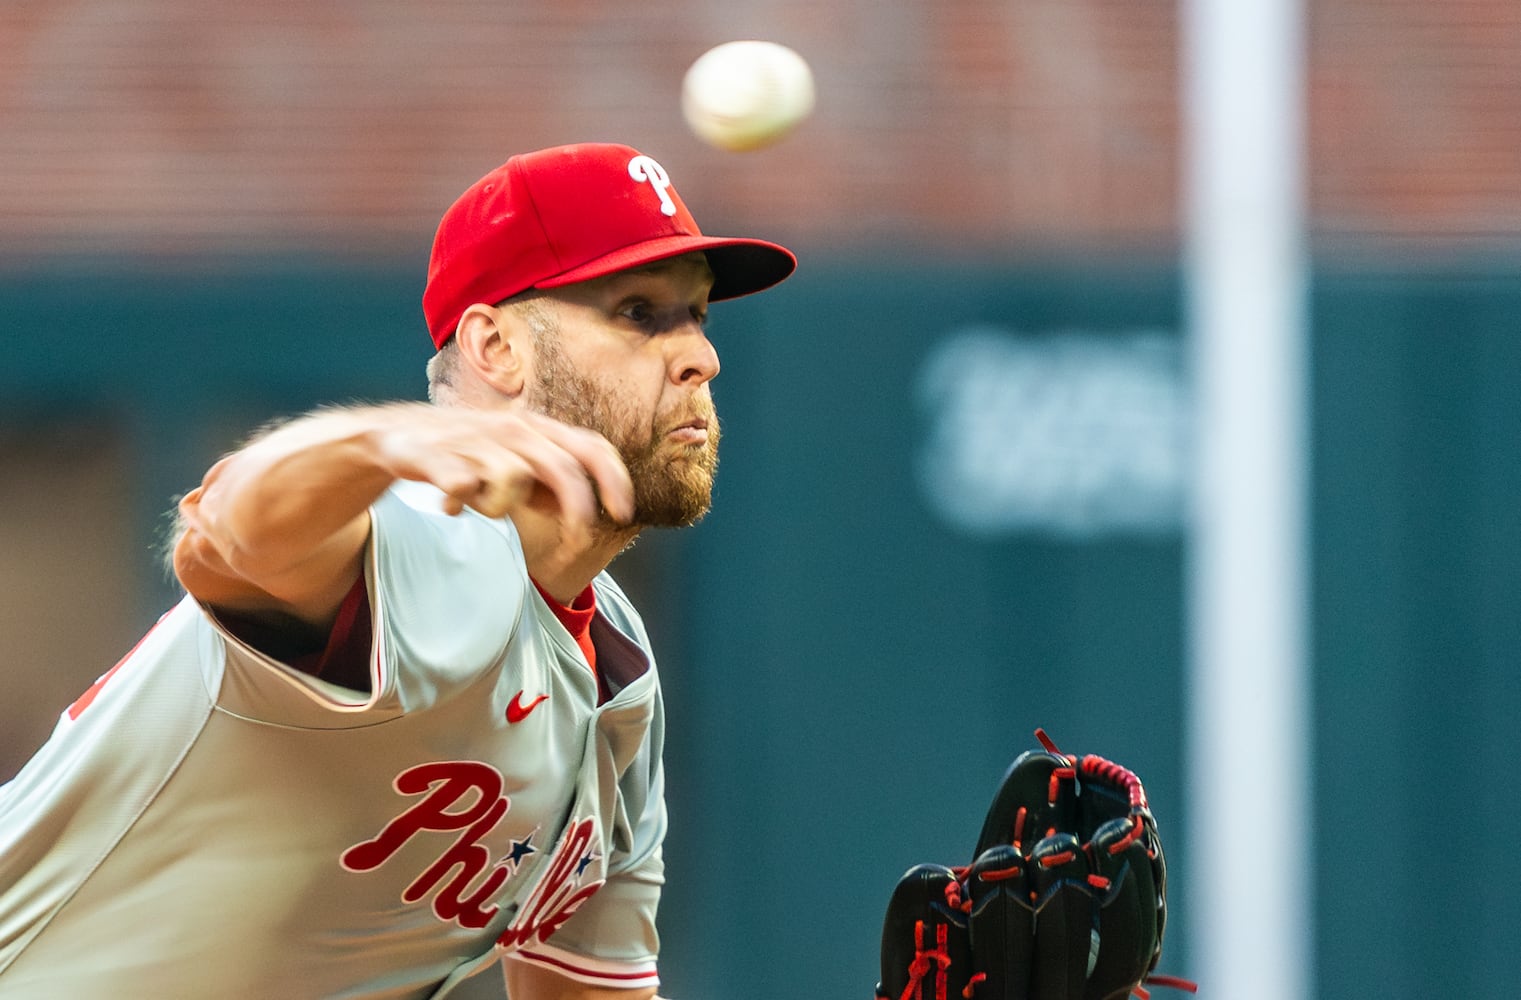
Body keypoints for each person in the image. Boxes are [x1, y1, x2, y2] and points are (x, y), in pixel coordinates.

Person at [0, 142, 796, 999]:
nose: (699, 359)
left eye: (697, 317)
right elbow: (221, 536)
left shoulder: (617, 677)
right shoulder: (428, 539)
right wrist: (378, 441)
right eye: (639, 313)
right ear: (494, 349)